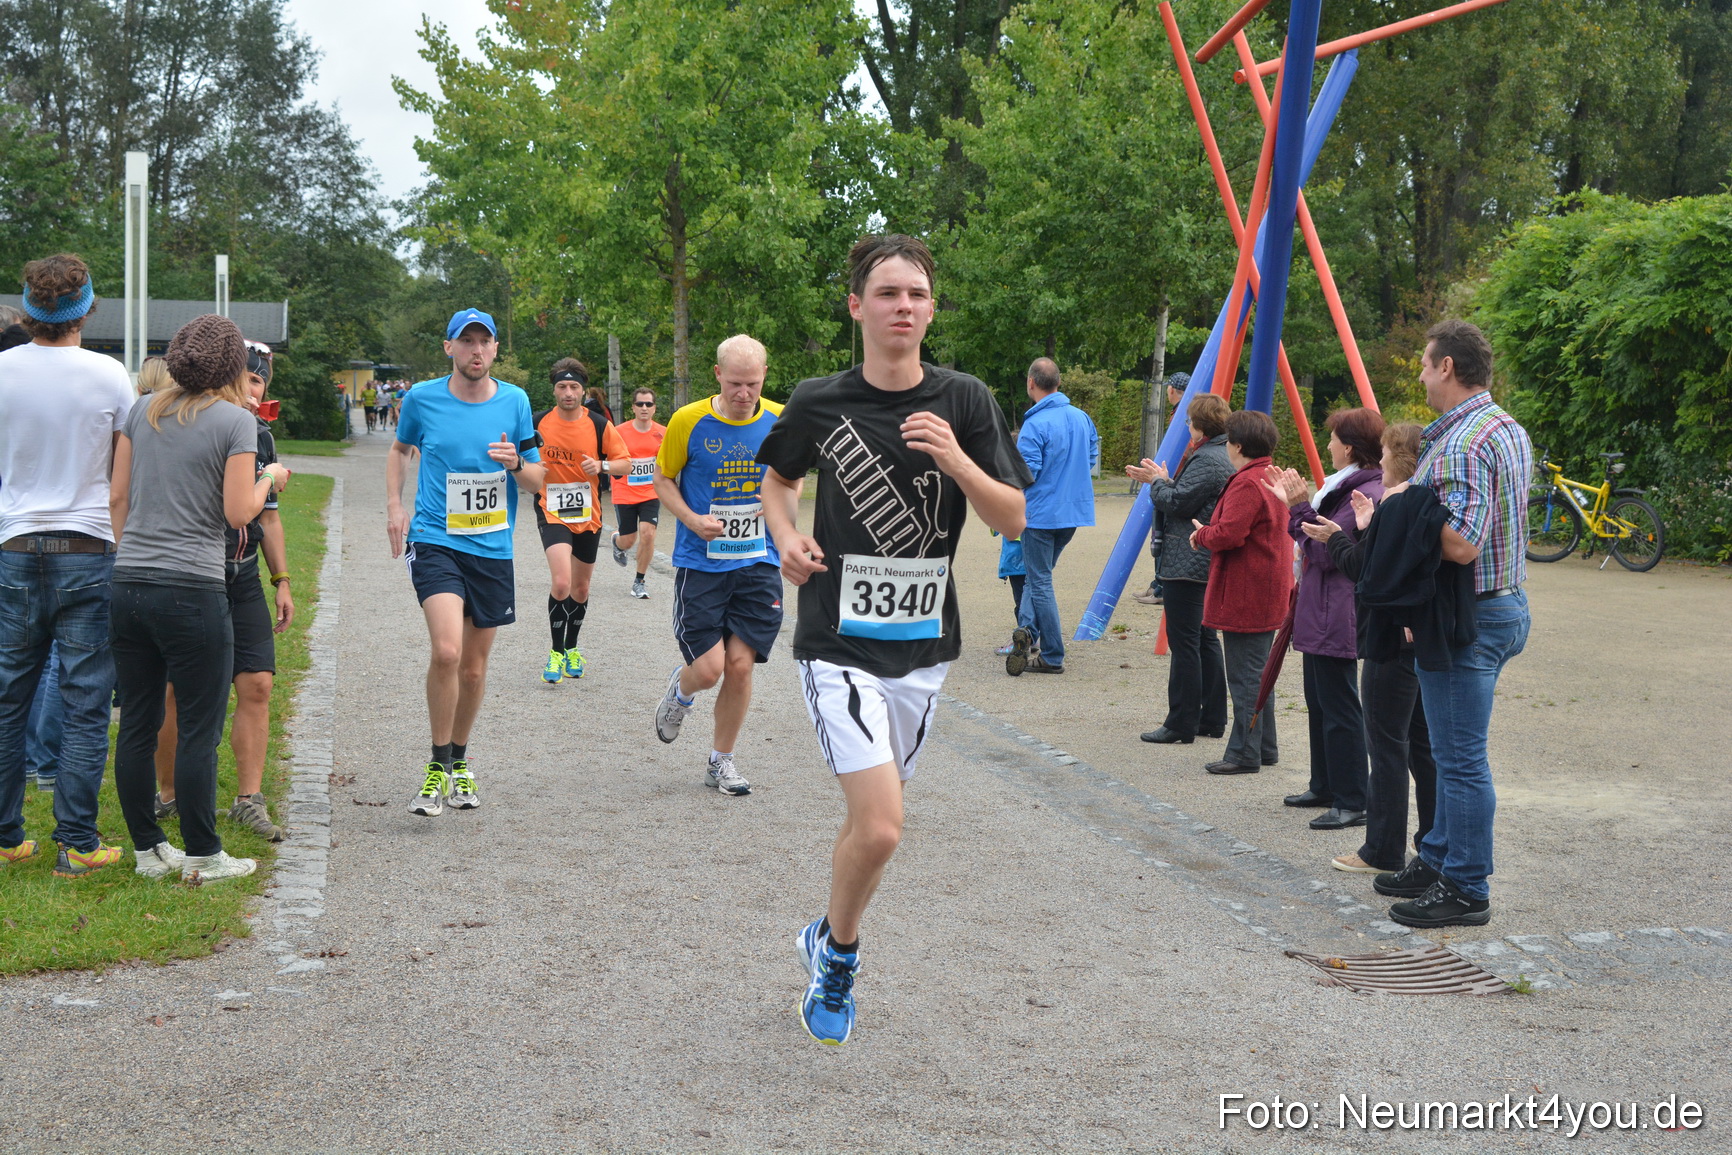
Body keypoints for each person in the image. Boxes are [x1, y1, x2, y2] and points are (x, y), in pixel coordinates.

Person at [758, 234, 1030, 1046]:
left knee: (873, 823)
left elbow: (1012, 517)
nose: (902, 305)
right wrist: (785, 538)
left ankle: (821, 934)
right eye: (886, 293)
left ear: (931, 307)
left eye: (915, 293)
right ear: (857, 306)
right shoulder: (816, 400)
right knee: (880, 826)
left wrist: (958, 461)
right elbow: (779, 479)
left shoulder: (966, 401)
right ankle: (841, 957)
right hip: (836, 640)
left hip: (923, 650)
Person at [110, 314, 290, 882]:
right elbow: (238, 512)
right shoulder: (234, 423)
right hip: (193, 587)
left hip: (130, 581)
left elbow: (117, 497)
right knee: (199, 724)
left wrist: (132, 556)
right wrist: (272, 479)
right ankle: (204, 854)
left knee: (137, 720)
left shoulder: (144, 410)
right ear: (232, 366)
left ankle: (147, 849)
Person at [1368, 320, 1531, 928]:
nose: (1418, 372)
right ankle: (1437, 857)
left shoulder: (1461, 442)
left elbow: (1461, 544)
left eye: (1424, 363)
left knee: (1459, 758)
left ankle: (1465, 886)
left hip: (1470, 617)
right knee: (1446, 748)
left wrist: (1397, 513)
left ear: (1447, 368)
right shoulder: (1506, 428)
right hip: (1503, 604)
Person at [0, 254, 135, 875]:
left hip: (14, 549)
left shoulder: (1, 372)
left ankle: (6, 836)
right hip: (87, 548)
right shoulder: (110, 376)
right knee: (85, 703)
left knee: (8, 700)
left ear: (29, 308)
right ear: (85, 308)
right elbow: (122, 473)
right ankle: (77, 844)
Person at [388, 308, 545, 817]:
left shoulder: (516, 402)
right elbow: (399, 450)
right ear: (448, 348)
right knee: (448, 651)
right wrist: (396, 506)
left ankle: (458, 761)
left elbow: (539, 479)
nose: (476, 350)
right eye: (466, 341)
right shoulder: (422, 398)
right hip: (436, 539)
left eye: (485, 342)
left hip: (492, 548)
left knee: (474, 670)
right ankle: (435, 768)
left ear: (496, 349)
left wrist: (517, 464)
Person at [151, 340, 294, 840]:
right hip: (193, 575)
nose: (254, 392)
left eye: (261, 383)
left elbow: (268, 517)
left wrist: (281, 579)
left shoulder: (260, 436)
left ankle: (248, 799)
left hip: (243, 573)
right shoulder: (190, 424)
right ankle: (166, 793)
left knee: (257, 684)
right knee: (178, 690)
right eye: (248, 379)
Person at [1299, 423, 1437, 875]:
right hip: (1416, 640)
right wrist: (1362, 529)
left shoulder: (1400, 502)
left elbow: (1370, 574)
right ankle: (1431, 843)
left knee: (1388, 745)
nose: (1379, 464)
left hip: (1390, 638)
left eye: (1383, 454)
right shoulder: (1419, 502)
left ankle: (1382, 849)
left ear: (1400, 458)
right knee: (1421, 745)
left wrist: (1339, 539)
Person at [651, 335, 784, 798]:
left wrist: (780, 519)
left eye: (753, 384)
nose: (744, 394)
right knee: (709, 670)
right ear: (717, 376)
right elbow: (662, 478)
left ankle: (721, 761)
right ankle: (681, 692)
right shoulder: (688, 421)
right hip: (701, 562)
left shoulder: (779, 419)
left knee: (741, 667)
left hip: (758, 559)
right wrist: (690, 518)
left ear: (764, 377)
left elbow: (791, 479)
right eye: (734, 384)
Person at [1266, 408, 1387, 831]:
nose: (1328, 445)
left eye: (1333, 438)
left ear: (1349, 446)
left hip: (1337, 609)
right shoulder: (1346, 485)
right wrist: (1298, 511)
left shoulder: (1364, 490)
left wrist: (1297, 508)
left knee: (1339, 706)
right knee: (1319, 701)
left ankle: (1353, 798)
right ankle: (1325, 784)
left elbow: (1324, 548)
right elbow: (1312, 537)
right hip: (1320, 606)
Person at [1125, 391, 1233, 745]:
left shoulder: (1206, 458)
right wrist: (1164, 481)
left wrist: (1158, 483)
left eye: (1189, 420)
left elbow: (1178, 502)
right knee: (1204, 639)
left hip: (1188, 560)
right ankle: (1211, 717)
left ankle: (1181, 721)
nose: (1187, 426)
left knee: (1185, 641)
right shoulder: (1220, 453)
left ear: (1200, 425)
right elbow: (1189, 497)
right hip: (1202, 558)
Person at [1188, 409, 1291, 776]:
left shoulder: (1248, 481)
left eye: (1229, 440)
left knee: (1246, 675)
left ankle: (1245, 752)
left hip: (1248, 589)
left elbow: (1230, 534)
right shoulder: (1268, 474)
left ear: (1238, 445)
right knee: (1260, 673)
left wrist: (1201, 534)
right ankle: (1264, 746)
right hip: (1267, 586)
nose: (1226, 446)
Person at [534, 358, 628, 683]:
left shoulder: (599, 424)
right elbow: (518, 458)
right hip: (551, 509)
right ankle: (555, 652)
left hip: (588, 513)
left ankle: (572, 648)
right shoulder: (538, 423)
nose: (568, 392)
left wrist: (601, 467)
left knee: (581, 587)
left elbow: (625, 464)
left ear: (583, 390)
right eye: (562, 386)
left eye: (574, 386)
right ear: (554, 389)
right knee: (561, 582)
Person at [1004, 357, 1097, 676]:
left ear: (1031, 383)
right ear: (1059, 383)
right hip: (1073, 512)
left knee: (1040, 581)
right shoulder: (1082, 418)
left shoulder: (1035, 423)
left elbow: (1026, 472)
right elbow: (1092, 456)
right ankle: (1027, 632)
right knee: (1037, 575)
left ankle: (1053, 654)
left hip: (1041, 514)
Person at [1133, 371, 1192, 606]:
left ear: (1170, 390)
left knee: (1163, 531)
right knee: (1161, 531)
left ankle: (1162, 586)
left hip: (1173, 480)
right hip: (1173, 478)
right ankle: (1158, 583)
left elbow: (1185, 450)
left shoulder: (1184, 416)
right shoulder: (1184, 413)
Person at [610, 387, 666, 599]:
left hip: (650, 492)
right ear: (633, 407)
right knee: (628, 540)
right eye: (640, 404)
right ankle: (617, 542)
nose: (644, 408)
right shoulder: (619, 432)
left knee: (648, 533)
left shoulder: (663, 432)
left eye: (648, 404)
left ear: (654, 408)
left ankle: (639, 582)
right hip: (625, 491)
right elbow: (610, 456)